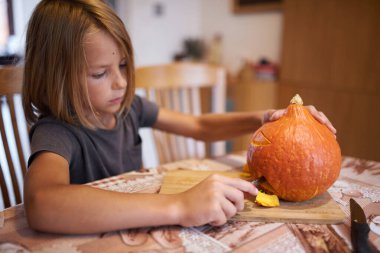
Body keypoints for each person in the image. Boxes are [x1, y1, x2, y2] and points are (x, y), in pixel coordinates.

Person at [22, 0, 336, 234]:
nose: (120, 82)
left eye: (122, 66)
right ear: (57, 77)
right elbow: (43, 203)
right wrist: (180, 205)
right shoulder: (55, 132)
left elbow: (199, 126)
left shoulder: (128, 108)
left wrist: (266, 118)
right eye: (100, 73)